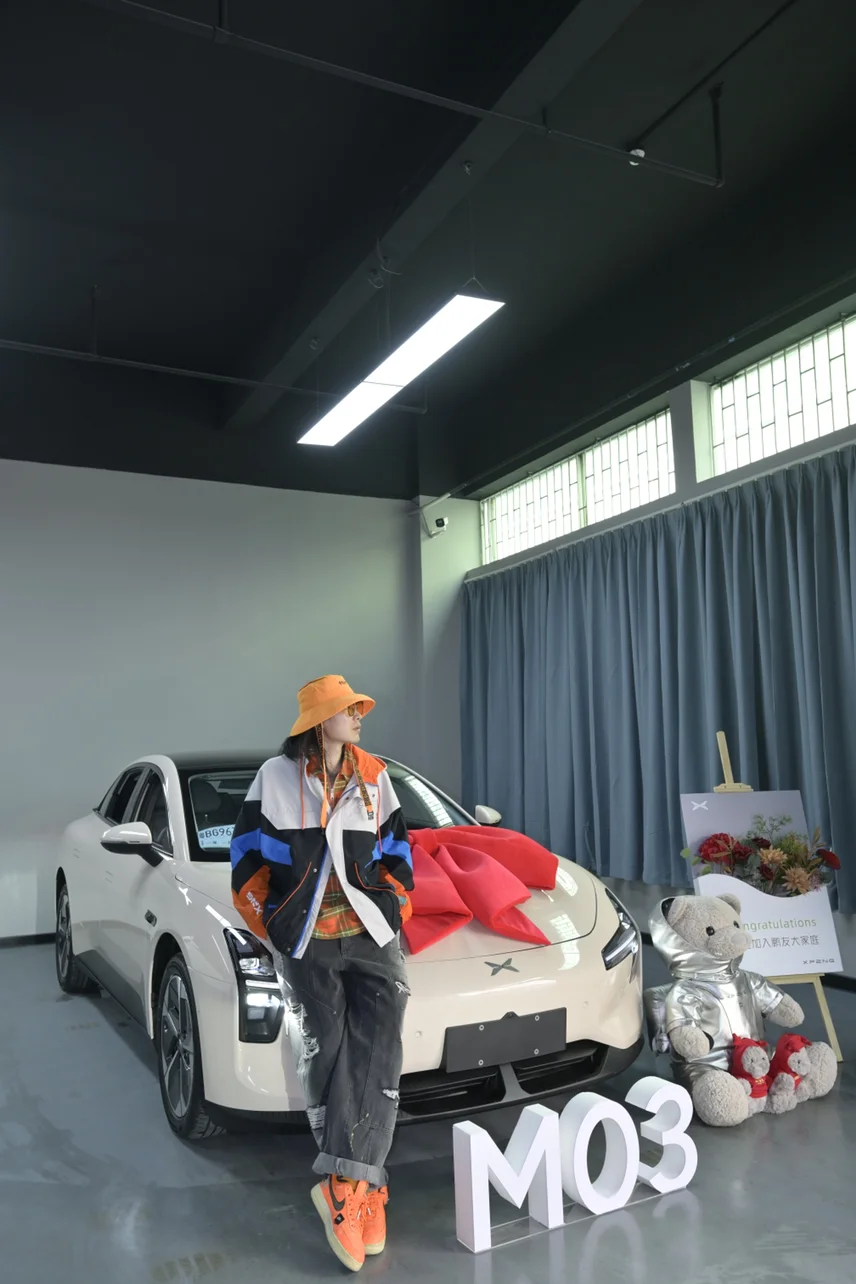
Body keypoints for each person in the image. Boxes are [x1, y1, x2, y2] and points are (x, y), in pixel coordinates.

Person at [230, 675, 413, 1272]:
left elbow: (397, 849)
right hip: (307, 938)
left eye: (357, 707)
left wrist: (394, 905)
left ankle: (348, 1187)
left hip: (370, 932)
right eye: (347, 709)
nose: (359, 715)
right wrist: (273, 923)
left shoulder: (374, 775)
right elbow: (245, 858)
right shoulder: (273, 778)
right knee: (327, 1054)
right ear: (318, 722)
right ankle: (365, 1185)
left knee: (380, 1047)